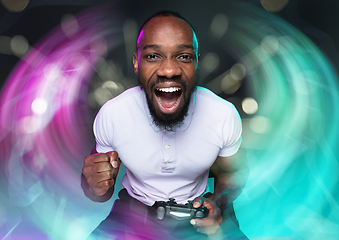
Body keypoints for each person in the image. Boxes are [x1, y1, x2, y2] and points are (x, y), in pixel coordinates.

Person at [82, 10, 249, 240]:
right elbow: (98, 190)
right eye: (153, 56)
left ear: (197, 63)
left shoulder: (222, 113)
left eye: (184, 57)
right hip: (133, 212)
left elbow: (233, 173)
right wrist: (94, 185)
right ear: (136, 63)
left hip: (196, 214)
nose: (169, 70)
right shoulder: (114, 113)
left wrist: (217, 201)